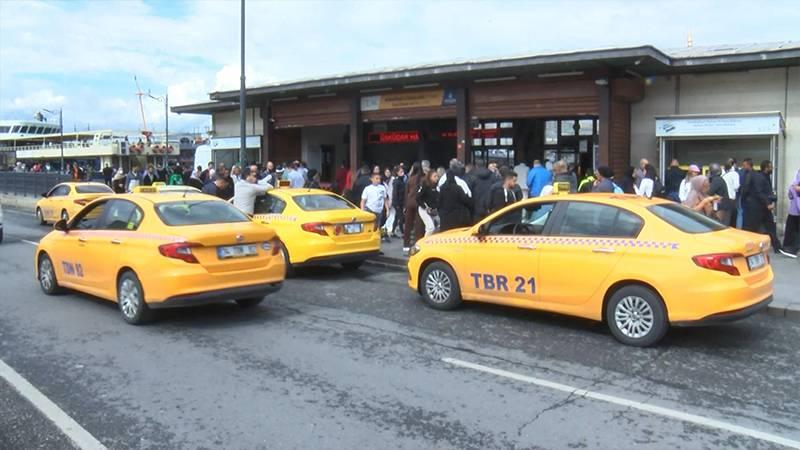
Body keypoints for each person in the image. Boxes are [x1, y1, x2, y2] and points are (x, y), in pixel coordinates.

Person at [743, 161, 789, 256]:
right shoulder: (760, 178)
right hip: (757, 208)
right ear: (766, 168)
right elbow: (759, 192)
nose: (772, 169)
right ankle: (747, 247)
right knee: (752, 229)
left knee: (770, 227)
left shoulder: (764, 177)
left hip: (763, 207)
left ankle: (777, 247)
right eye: (770, 167)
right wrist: (768, 203)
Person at [360, 172, 390, 241]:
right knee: (369, 226)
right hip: (369, 209)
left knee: (377, 226)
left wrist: (387, 210)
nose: (378, 180)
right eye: (376, 178)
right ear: (371, 179)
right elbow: (363, 201)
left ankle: (375, 239)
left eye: (379, 179)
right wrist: (362, 210)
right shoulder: (367, 189)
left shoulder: (382, 188)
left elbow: (385, 199)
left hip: (379, 210)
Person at [403, 162, 423, 253]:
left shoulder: (410, 179)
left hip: (409, 202)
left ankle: (406, 245)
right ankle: (417, 244)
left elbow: (406, 193)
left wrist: (405, 205)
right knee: (418, 225)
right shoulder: (423, 179)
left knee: (408, 224)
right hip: (418, 203)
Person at [782, 168, 800, 257]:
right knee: (791, 227)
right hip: (795, 207)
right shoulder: (797, 172)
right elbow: (793, 188)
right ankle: (788, 246)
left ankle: (794, 249)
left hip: (797, 206)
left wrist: (797, 188)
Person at [416, 170, 440, 237]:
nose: (437, 178)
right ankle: (424, 244)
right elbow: (417, 197)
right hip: (424, 209)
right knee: (430, 228)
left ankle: (432, 242)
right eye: (435, 176)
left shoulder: (437, 187)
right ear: (430, 177)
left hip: (433, 210)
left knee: (438, 226)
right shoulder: (425, 186)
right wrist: (425, 206)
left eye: (437, 176)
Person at [722, 158, 741, 227]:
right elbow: (736, 186)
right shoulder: (734, 174)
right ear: (734, 164)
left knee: (725, 219)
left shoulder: (723, 174)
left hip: (723, 198)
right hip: (731, 199)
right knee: (732, 220)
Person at [391, 165, 406, 238]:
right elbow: (395, 193)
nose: (402, 173)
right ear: (397, 173)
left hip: (401, 201)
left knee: (397, 217)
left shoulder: (402, 180)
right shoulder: (396, 181)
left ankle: (393, 230)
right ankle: (401, 232)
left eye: (403, 171)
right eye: (401, 172)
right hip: (397, 202)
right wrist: (396, 203)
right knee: (401, 217)